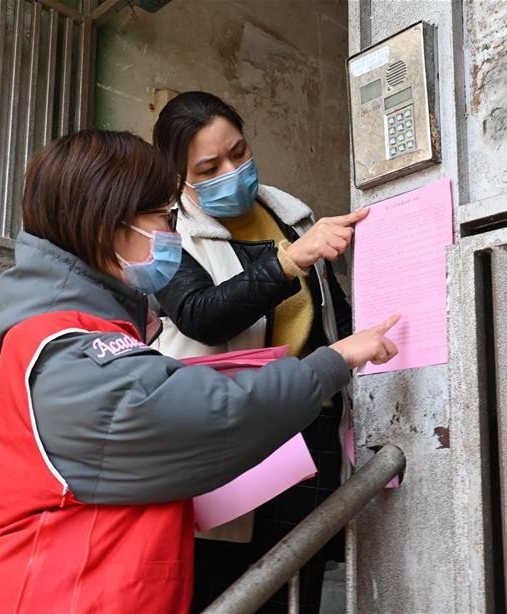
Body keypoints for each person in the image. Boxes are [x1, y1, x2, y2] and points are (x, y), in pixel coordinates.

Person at [0, 129, 398, 614]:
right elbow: (219, 413)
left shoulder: (65, 330)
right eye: (163, 216)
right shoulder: (70, 355)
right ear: (110, 226)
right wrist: (338, 360)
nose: (173, 234)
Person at [151, 92, 365, 613]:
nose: (232, 170)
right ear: (179, 177)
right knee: (228, 585)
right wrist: (289, 262)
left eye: (239, 152)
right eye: (210, 166)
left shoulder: (290, 214)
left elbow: (332, 315)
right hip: (236, 434)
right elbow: (202, 314)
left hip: (311, 425)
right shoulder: (166, 233)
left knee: (298, 579)